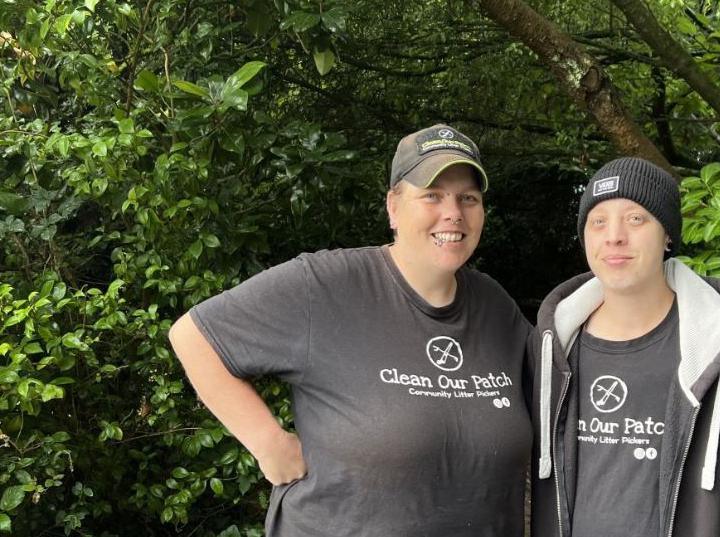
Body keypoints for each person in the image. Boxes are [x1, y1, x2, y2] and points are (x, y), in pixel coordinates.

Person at [168, 124, 532, 536]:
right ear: (393, 207)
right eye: (432, 195)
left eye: (469, 198)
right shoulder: (324, 286)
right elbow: (193, 336)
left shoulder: (496, 306)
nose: (453, 212)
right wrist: (268, 443)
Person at [530, 157, 720, 537]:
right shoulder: (552, 349)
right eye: (598, 221)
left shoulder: (719, 351)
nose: (614, 236)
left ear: (667, 235)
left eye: (635, 219)